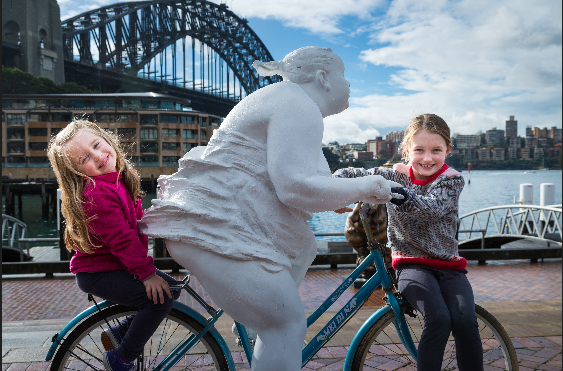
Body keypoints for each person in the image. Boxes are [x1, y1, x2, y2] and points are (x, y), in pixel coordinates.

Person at [139, 46, 401, 371]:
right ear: (322, 78)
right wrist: (369, 186)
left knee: (305, 247)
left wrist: (340, 195)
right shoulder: (296, 103)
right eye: (343, 75)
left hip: (218, 224)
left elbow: (313, 183)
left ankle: (252, 324)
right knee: (286, 325)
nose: (349, 85)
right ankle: (268, 330)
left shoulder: (289, 101)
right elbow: (293, 187)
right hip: (214, 228)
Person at [333, 113, 484, 371]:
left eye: (436, 150)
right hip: (411, 265)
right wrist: (336, 187)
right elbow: (354, 172)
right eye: (419, 150)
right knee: (438, 319)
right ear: (406, 150)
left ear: (448, 150)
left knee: (464, 319)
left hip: (450, 268)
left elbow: (431, 209)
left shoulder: (451, 180)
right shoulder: (396, 175)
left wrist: (392, 193)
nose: (427, 158)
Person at [47, 120, 180, 371]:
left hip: (114, 265)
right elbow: (123, 240)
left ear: (108, 140)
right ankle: (121, 358)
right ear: (77, 172)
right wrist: (147, 274)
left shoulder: (116, 178)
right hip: (98, 273)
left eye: (97, 145)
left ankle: (120, 333)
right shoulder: (97, 194)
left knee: (171, 288)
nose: (98, 156)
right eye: (85, 158)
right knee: (160, 299)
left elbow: (134, 222)